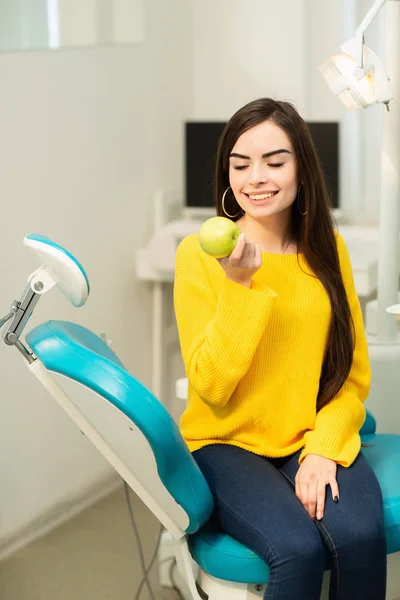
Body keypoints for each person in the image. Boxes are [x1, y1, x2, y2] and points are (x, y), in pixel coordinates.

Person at [173, 98, 386, 600]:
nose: (256, 178)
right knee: (297, 547)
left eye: (275, 161)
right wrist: (241, 288)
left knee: (359, 534)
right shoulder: (198, 258)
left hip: (308, 430)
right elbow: (212, 387)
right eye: (240, 164)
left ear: (302, 169)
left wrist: (324, 448)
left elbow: (350, 377)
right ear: (227, 173)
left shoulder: (329, 249)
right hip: (225, 442)